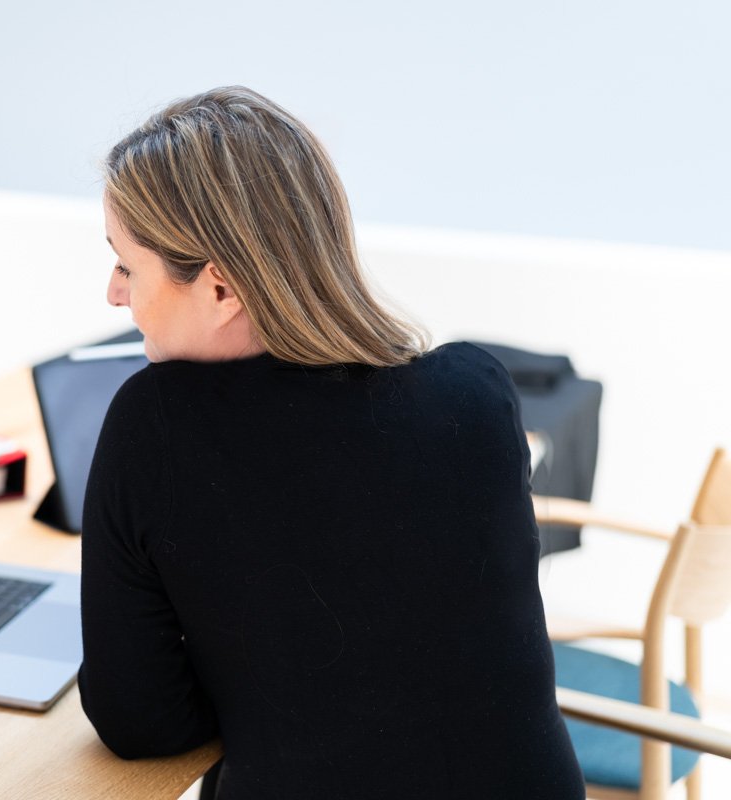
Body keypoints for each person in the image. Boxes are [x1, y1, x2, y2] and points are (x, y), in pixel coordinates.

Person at [77, 86, 585, 799]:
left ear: (222, 290)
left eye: (127, 266)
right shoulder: (476, 391)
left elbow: (141, 724)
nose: (113, 294)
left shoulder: (154, 425)